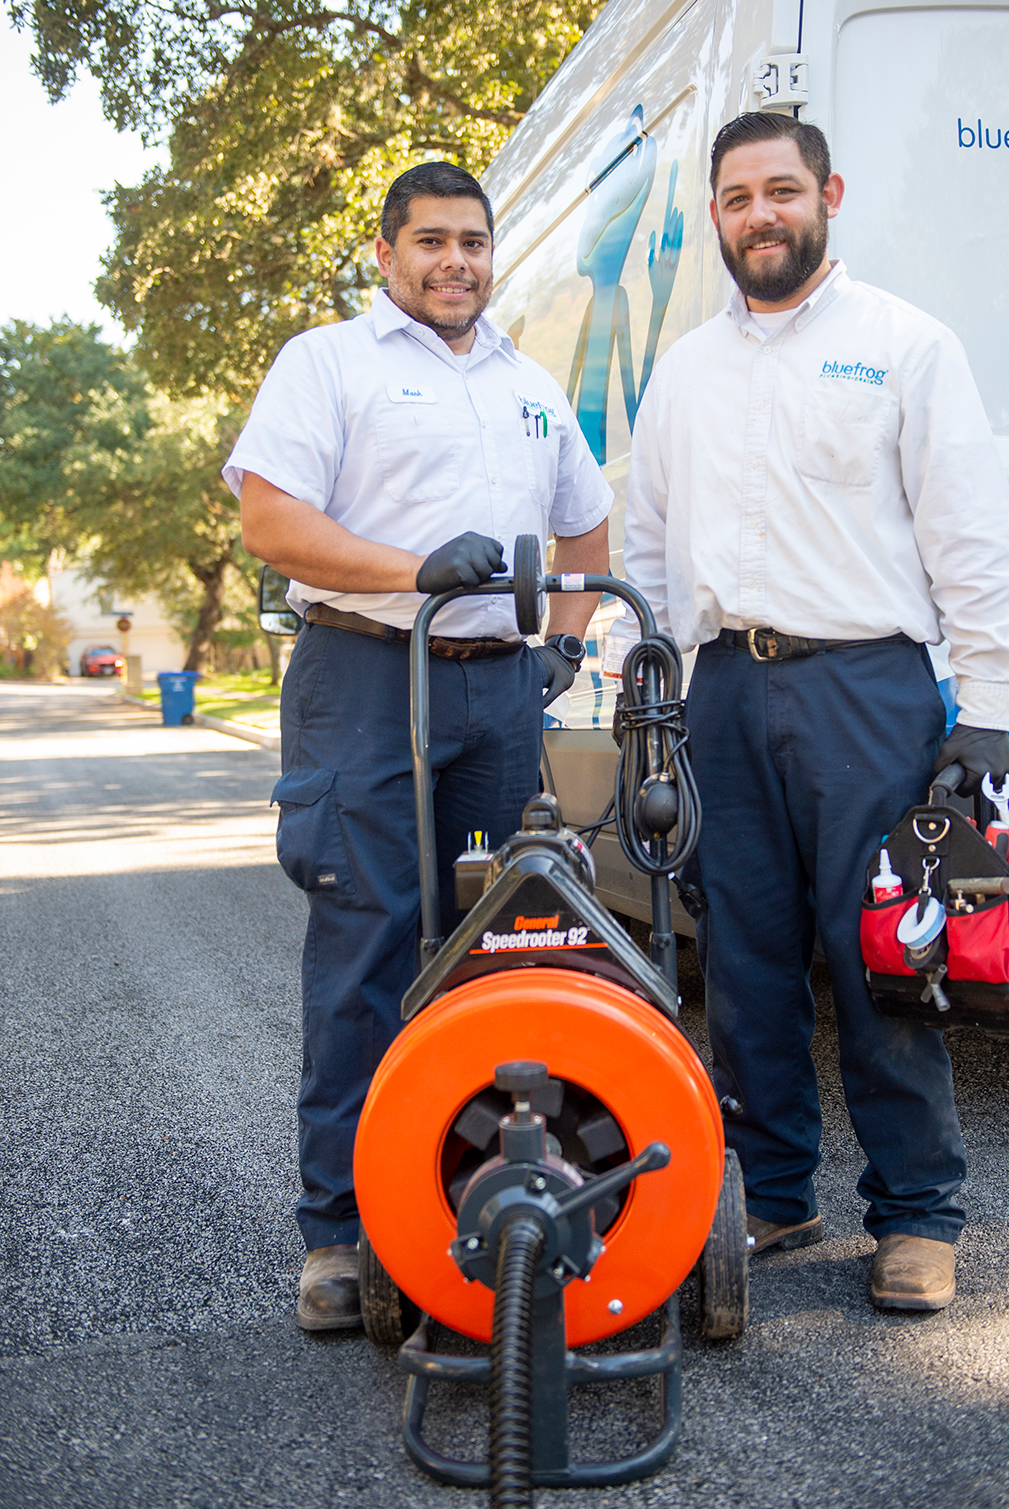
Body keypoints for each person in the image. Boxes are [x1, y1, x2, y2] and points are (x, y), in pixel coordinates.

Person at [623, 112, 1009, 1311]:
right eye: (738, 197)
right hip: (723, 690)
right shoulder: (686, 369)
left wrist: (989, 712)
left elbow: (969, 536)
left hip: (867, 688)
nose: (761, 215)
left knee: (880, 959)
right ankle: (773, 1188)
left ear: (827, 196)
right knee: (741, 959)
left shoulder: (905, 344)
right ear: (716, 217)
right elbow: (645, 544)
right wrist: (643, 689)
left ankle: (916, 1217)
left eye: (781, 191)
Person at [223, 161, 611, 1329]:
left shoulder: (530, 383)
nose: (456, 262)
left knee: (504, 943)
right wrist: (410, 569)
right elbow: (269, 517)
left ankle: (474, 1193)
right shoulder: (327, 363)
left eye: (473, 243)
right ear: (386, 253)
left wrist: (566, 649)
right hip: (363, 676)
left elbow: (586, 521)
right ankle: (338, 1235)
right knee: (369, 949)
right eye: (432, 240)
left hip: (500, 694)